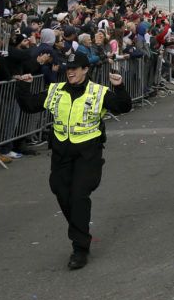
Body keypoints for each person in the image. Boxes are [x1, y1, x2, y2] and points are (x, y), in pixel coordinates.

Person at [13, 53, 132, 270]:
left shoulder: (98, 92)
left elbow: (124, 107)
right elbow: (29, 106)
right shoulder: (55, 90)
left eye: (75, 68)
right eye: (68, 68)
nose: (70, 72)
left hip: (88, 153)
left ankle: (80, 248)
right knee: (60, 190)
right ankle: (81, 231)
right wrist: (24, 87)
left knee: (78, 195)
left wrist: (120, 86)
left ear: (85, 69)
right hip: (61, 152)